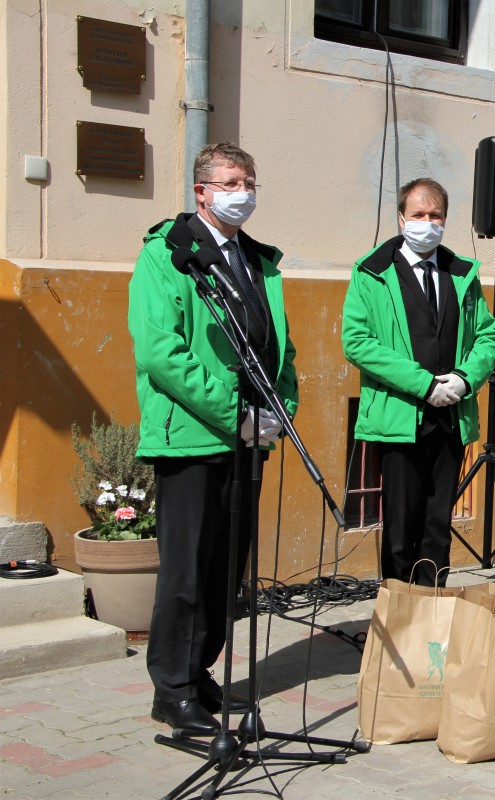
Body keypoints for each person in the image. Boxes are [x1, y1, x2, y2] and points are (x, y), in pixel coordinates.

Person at [129, 142, 298, 735]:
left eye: (249, 180)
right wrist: (236, 412)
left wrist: (281, 409)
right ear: (201, 190)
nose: (242, 191)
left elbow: (277, 345)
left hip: (247, 438)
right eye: (230, 181)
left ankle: (198, 673)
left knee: (225, 570)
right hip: (192, 438)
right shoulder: (167, 255)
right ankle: (170, 689)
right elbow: (161, 352)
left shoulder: (256, 260)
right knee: (186, 571)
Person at [342, 178, 495, 587]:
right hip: (399, 421)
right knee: (399, 531)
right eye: (418, 215)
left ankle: (430, 626)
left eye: (435, 216)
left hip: (450, 420)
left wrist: (465, 380)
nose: (427, 223)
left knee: (437, 530)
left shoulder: (461, 273)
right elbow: (358, 342)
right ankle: (397, 619)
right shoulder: (371, 272)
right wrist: (424, 384)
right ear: (401, 218)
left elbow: (487, 336)